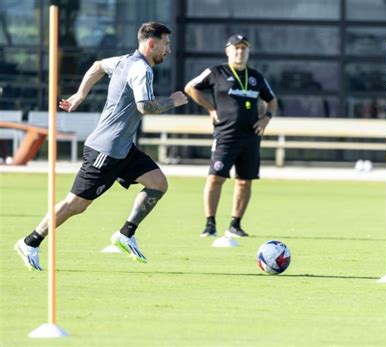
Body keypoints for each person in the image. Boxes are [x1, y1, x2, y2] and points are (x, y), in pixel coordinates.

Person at [14, 22, 188, 270]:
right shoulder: (142, 70)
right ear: (151, 43)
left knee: (158, 183)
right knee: (77, 204)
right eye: (166, 44)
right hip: (105, 151)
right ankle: (30, 242)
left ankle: (125, 235)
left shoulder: (124, 61)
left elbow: (97, 67)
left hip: (123, 147)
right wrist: (172, 101)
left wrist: (80, 94)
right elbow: (144, 106)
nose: (168, 50)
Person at [185, 34, 277, 238]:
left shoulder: (256, 77)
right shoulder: (216, 72)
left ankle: (235, 225)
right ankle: (210, 223)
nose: (240, 52)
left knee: (245, 181)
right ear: (228, 51)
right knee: (216, 178)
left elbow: (271, 100)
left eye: (244, 48)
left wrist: (266, 118)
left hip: (251, 137)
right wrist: (210, 109)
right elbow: (190, 88)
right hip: (225, 135)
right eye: (236, 48)